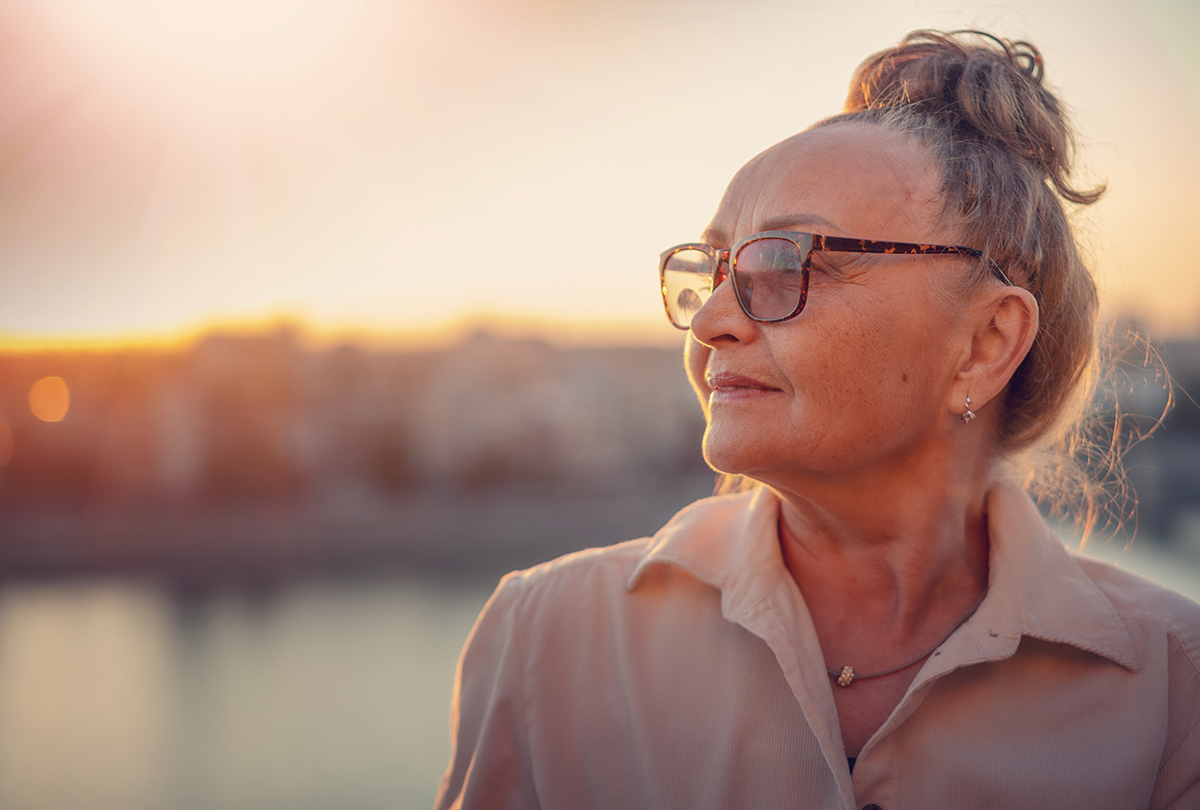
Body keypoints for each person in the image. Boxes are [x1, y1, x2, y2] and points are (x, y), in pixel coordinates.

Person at [435, 30, 1200, 809]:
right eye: (714, 270)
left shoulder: (1176, 688)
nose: (710, 324)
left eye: (784, 263)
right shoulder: (549, 639)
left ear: (983, 343)